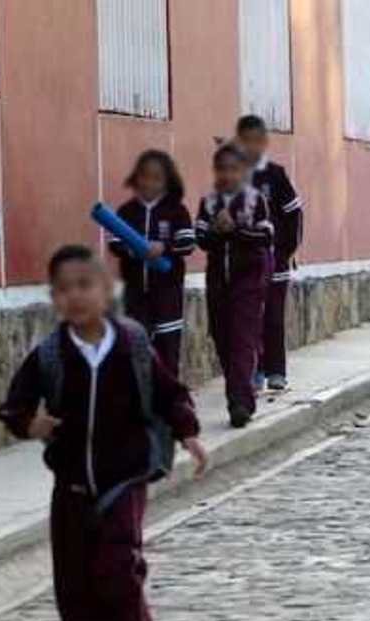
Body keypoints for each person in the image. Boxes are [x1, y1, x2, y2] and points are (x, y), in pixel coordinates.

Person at [0, 245, 206, 621]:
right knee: (73, 587)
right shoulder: (51, 354)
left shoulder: (131, 344)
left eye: (85, 285)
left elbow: (170, 393)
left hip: (124, 480)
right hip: (70, 486)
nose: (76, 296)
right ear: (54, 298)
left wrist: (187, 431)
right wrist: (28, 423)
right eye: (64, 289)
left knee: (114, 567)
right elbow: (14, 405)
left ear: (106, 290)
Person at [195, 142, 274, 428]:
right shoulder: (209, 202)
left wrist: (236, 230)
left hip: (249, 281)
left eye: (234, 169)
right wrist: (217, 230)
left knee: (243, 339)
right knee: (223, 338)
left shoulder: (256, 201)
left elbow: (265, 238)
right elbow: (201, 239)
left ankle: (239, 402)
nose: (228, 175)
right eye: (222, 169)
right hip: (218, 282)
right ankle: (240, 392)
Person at [109, 150, 195, 378]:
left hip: (168, 292)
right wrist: (136, 250)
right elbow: (115, 243)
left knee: (167, 349)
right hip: (136, 292)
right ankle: (141, 402)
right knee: (137, 347)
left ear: (167, 182)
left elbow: (187, 243)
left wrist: (164, 248)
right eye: (144, 176)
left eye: (156, 178)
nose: (149, 183)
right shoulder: (127, 211)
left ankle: (169, 402)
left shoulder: (176, 211)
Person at [236, 115, 305, 393]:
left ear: (264, 143)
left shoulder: (276, 174)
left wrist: (286, 251)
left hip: (275, 261)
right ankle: (256, 370)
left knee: (273, 317)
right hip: (248, 263)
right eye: (245, 141)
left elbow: (294, 215)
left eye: (256, 140)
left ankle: (277, 371)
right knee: (251, 318)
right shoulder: (237, 175)